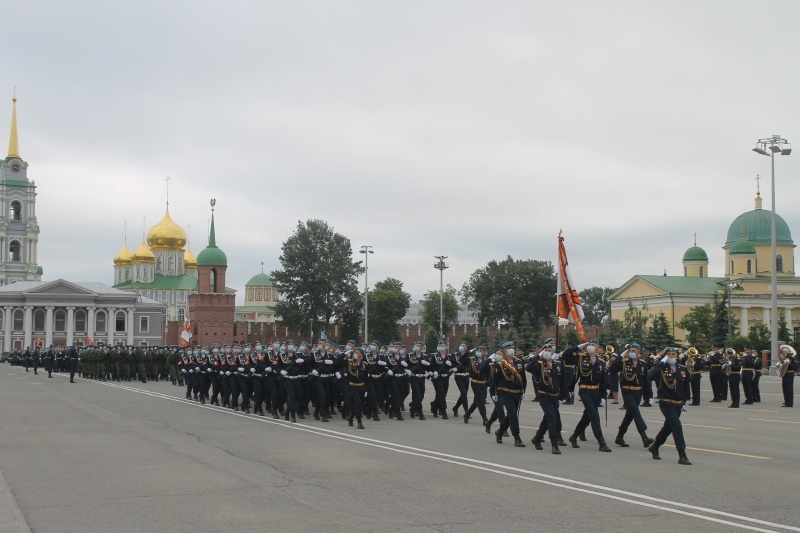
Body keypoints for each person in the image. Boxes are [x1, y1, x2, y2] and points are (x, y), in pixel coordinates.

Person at [647, 347, 692, 465]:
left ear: (677, 356)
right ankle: (682, 455)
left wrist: (684, 402)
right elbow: (650, 376)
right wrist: (662, 362)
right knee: (677, 426)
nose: (671, 356)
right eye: (669, 354)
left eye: (673, 354)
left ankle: (655, 446)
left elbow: (686, 387)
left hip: (678, 403)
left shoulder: (682, 369)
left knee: (668, 428)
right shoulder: (661, 368)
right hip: (666, 402)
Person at [609, 343, 654, 448]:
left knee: (629, 416)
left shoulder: (643, 364)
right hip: (627, 391)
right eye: (630, 351)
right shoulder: (623, 362)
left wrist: (648, 397)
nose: (631, 353)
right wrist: (621, 356)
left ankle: (619, 437)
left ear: (639, 352)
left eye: (634, 350)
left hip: (638, 392)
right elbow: (612, 369)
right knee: (636, 412)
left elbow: (646, 382)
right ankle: (644, 437)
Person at [569, 341, 612, 452]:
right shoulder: (580, 357)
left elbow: (603, 381)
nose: (592, 347)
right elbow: (566, 354)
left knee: (587, 417)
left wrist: (603, 396)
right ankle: (601, 441)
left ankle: (574, 436)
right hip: (584, 390)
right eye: (590, 345)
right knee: (594, 415)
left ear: (598, 347)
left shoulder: (601, 361)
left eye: (594, 345)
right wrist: (578, 346)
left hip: (596, 392)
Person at [526, 343, 566, 454]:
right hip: (544, 395)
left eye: (550, 350)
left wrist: (562, 396)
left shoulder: (557, 364)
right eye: (546, 350)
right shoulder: (539, 364)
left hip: (555, 396)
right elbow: (528, 368)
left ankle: (537, 438)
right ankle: (554, 443)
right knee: (552, 417)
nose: (548, 352)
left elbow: (562, 381)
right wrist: (538, 356)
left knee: (547, 419)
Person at [490, 340, 526, 448]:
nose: (511, 349)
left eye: (512, 347)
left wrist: (523, 390)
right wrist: (493, 393)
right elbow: (494, 380)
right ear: (504, 350)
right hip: (505, 392)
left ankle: (500, 431)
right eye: (508, 348)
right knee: (514, 415)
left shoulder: (519, 362)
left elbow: (523, 378)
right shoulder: (500, 363)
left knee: (510, 415)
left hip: (517, 393)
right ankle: (517, 437)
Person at [464, 346, 490, 425]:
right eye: (478, 350)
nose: (479, 352)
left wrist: (489, 384)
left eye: (481, 350)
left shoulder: (486, 360)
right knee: (481, 400)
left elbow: (489, 373)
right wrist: (468, 351)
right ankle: (484, 418)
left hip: (483, 383)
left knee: (476, 402)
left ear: (485, 352)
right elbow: (462, 359)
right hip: (475, 382)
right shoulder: (472, 359)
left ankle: (467, 414)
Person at [346, 347, 367, 429]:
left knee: (360, 404)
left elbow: (366, 378)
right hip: (353, 386)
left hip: (361, 387)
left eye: (357, 352)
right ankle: (359, 421)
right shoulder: (350, 363)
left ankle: (351, 417)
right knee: (357, 403)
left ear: (361, 354)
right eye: (355, 352)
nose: (355, 353)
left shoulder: (365, 364)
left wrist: (366, 389)